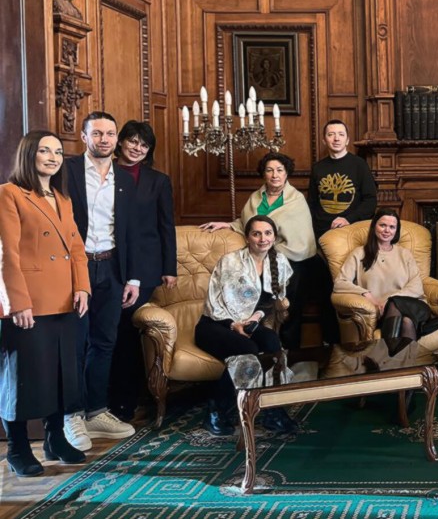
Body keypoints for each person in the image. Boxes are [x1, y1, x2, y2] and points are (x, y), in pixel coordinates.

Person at [0, 131, 90, 477]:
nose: (53, 157)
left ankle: (55, 440)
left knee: (60, 376)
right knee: (21, 378)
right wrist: (17, 302)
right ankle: (18, 448)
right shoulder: (9, 194)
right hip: (28, 303)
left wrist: (82, 287)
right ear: (28, 155)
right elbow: (6, 254)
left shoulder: (62, 198)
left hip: (64, 301)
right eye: (44, 151)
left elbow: (77, 248)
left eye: (58, 152)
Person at [62, 112, 138, 450]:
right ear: (84, 137)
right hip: (73, 269)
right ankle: (72, 414)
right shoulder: (66, 172)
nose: (104, 139)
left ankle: (96, 410)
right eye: (97, 133)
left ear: (116, 139)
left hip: (111, 268)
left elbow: (131, 231)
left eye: (109, 134)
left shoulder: (124, 179)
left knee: (104, 342)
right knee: (74, 343)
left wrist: (132, 277)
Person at [194, 215, 297, 436]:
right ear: (247, 237)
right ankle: (215, 410)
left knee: (272, 342)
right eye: (256, 234)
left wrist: (255, 318)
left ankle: (272, 411)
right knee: (247, 350)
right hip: (215, 324)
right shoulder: (230, 261)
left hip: (248, 322)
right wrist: (234, 325)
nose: (262, 239)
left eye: (267, 233)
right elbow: (214, 302)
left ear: (274, 237)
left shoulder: (279, 261)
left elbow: (269, 301)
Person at [201, 152, 317, 347]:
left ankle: (289, 352)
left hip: (292, 261)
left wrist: (272, 253)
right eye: (269, 170)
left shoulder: (296, 200)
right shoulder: (255, 197)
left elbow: (301, 239)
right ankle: (260, 344)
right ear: (264, 174)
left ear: (286, 173)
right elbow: (248, 223)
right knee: (258, 305)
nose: (274, 175)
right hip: (259, 260)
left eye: (279, 170)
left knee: (289, 311)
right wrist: (229, 225)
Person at [108, 121, 177, 422]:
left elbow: (166, 226)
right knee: (107, 331)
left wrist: (170, 268)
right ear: (121, 142)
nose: (137, 148)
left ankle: (126, 402)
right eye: (133, 141)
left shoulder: (158, 181)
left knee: (126, 329)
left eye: (144, 145)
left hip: (147, 267)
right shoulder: (104, 172)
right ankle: (104, 402)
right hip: (110, 264)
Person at [333, 208, 438, 354]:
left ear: (396, 231)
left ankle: (387, 360)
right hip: (382, 313)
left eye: (392, 227)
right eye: (383, 225)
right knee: (406, 322)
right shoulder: (359, 253)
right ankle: (406, 362)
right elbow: (340, 282)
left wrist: (391, 299)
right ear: (374, 226)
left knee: (394, 304)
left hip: (414, 306)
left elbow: (417, 286)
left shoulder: (404, 254)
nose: (387, 230)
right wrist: (365, 293)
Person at [308, 120, 378, 344]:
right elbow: (312, 205)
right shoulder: (318, 168)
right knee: (327, 290)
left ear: (347, 139)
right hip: (323, 241)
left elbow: (370, 201)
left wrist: (348, 219)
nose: (336, 138)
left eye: (340, 134)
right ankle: (330, 341)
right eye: (331, 134)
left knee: (353, 287)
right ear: (324, 140)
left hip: (351, 238)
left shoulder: (359, 165)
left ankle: (358, 340)